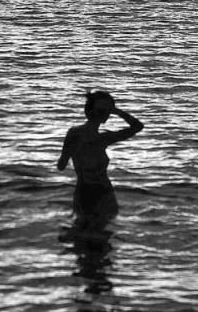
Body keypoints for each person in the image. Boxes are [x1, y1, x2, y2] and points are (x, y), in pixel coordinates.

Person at [57, 90, 144, 230]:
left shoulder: (84, 135)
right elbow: (137, 126)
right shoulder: (101, 138)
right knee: (99, 239)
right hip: (97, 194)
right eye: (105, 110)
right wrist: (117, 111)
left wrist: (72, 150)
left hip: (94, 194)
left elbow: (61, 165)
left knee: (84, 237)